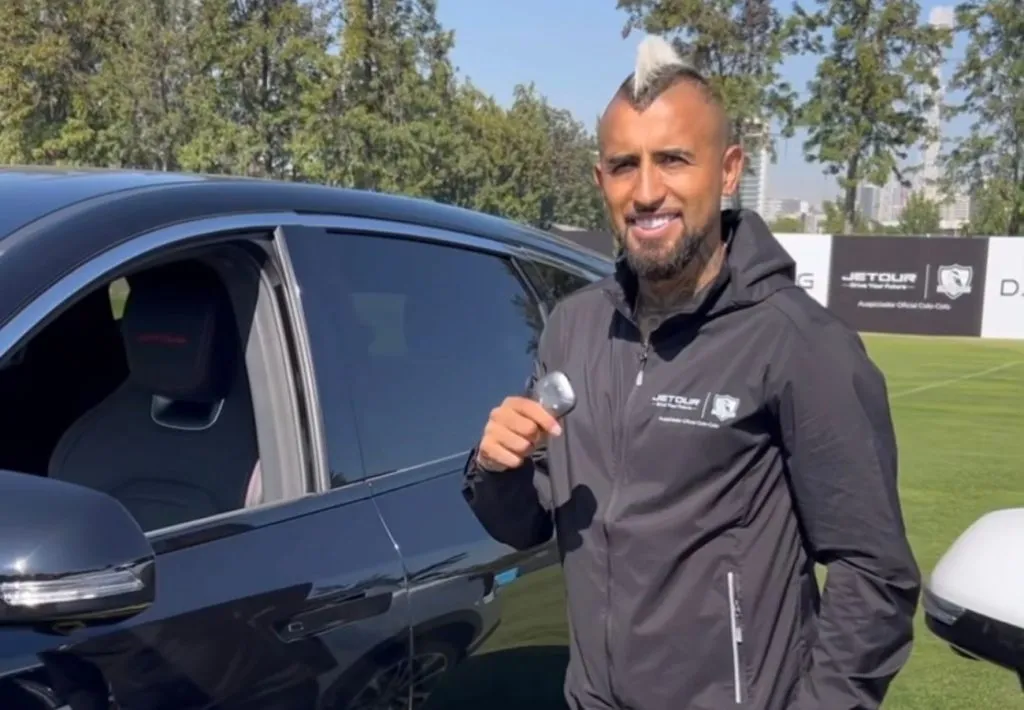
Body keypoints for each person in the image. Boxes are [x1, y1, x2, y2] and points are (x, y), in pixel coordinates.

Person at [461, 35, 921, 710]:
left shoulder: (799, 343)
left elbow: (874, 576)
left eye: (673, 159)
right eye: (624, 166)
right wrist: (494, 467)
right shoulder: (575, 328)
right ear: (601, 181)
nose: (647, 191)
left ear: (728, 169)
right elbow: (531, 524)